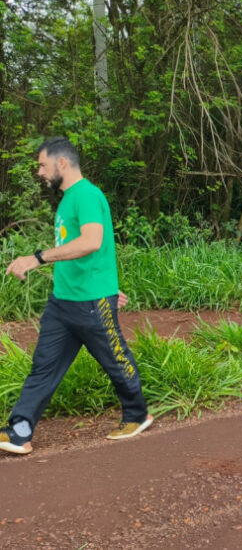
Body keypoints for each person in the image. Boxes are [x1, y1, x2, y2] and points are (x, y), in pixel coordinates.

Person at [1, 137, 152, 455]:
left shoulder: (86, 195)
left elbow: (92, 242)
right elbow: (79, 252)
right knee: (44, 365)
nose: (40, 172)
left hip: (90, 302)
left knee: (115, 358)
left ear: (62, 163)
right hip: (63, 301)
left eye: (42, 164)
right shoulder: (68, 199)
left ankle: (137, 415)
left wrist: (37, 258)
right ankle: (20, 430)